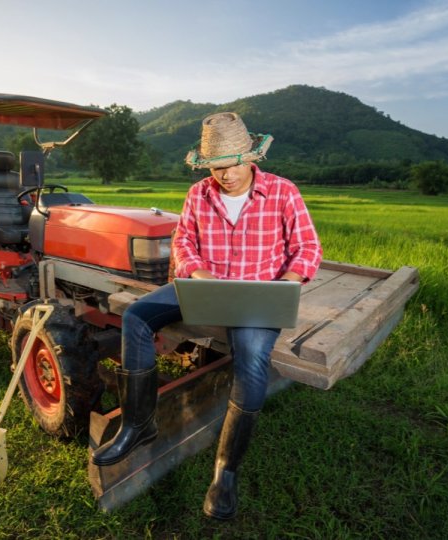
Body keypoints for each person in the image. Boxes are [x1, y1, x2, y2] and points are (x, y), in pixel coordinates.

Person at [92, 112, 322, 520]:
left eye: (232, 166)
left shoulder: (284, 192)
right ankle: (137, 424)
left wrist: (285, 283)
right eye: (216, 168)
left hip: (258, 292)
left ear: (251, 158)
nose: (225, 176)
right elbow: (183, 241)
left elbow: (307, 248)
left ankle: (224, 473)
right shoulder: (199, 194)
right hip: (205, 284)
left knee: (250, 361)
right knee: (137, 317)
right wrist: (198, 274)